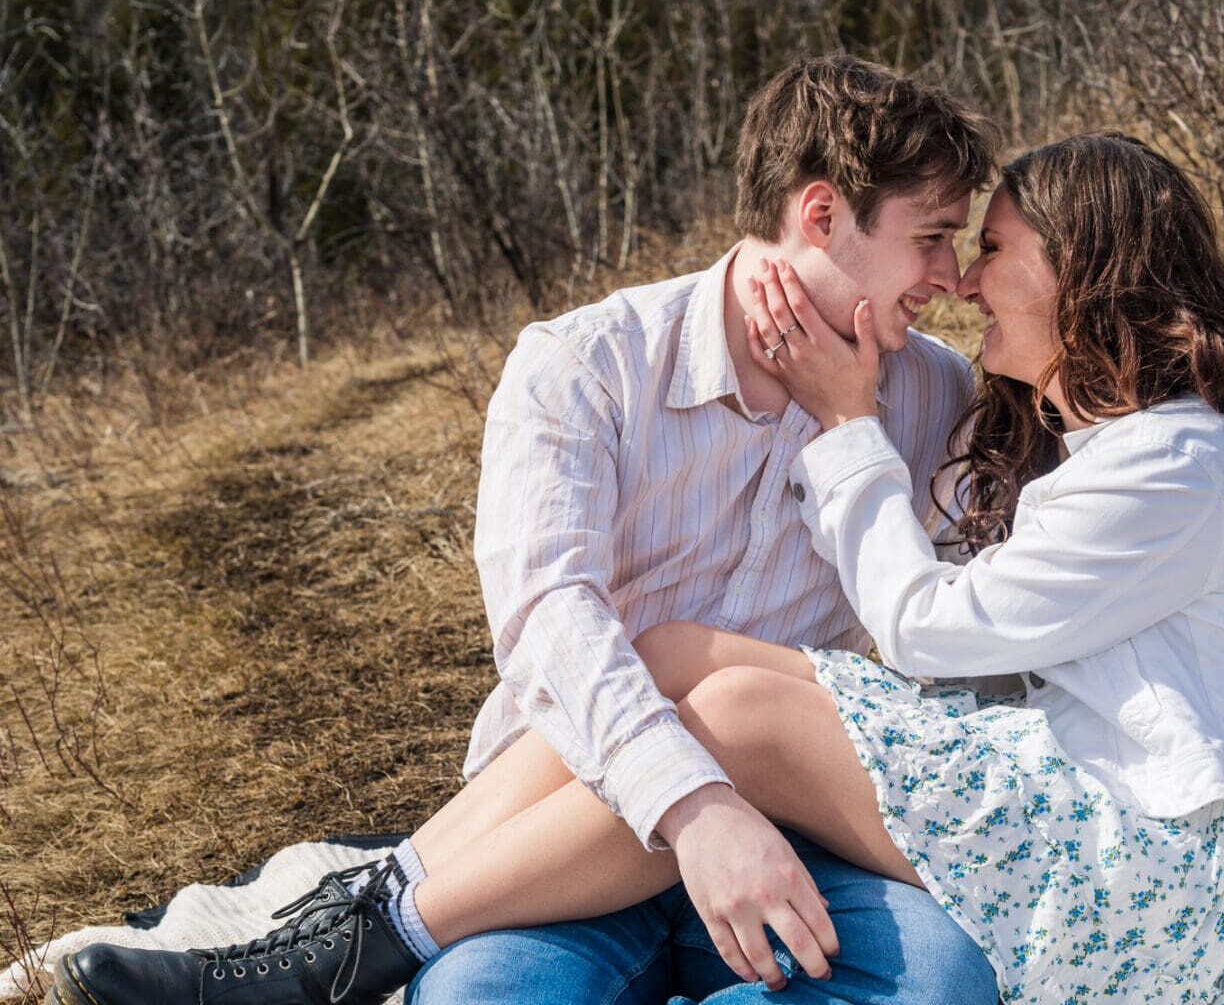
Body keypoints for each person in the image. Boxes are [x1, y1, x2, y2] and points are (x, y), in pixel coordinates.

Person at [47, 55, 1004, 1005]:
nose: (951, 276)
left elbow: (967, 627)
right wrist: (694, 805)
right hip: (568, 814)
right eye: (931, 238)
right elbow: (551, 619)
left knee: (939, 982)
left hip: (795, 825)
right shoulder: (588, 365)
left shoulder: (935, 393)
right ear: (822, 214)